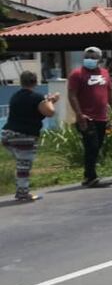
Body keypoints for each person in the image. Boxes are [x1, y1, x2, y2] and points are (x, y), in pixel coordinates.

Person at [3, 71, 58, 202]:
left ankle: (21, 189)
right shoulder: (36, 97)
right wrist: (51, 101)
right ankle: (23, 193)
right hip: (24, 135)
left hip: (7, 135)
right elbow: (50, 112)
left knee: (21, 164)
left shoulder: (15, 96)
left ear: (21, 82)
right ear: (35, 82)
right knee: (24, 166)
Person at [67, 47, 112, 188]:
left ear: (99, 60)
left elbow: (110, 94)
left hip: (102, 117)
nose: (89, 60)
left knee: (97, 146)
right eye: (87, 57)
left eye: (93, 57)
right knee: (92, 146)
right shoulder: (77, 74)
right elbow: (72, 95)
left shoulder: (104, 73)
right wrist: (79, 114)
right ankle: (91, 177)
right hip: (86, 117)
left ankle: (88, 175)